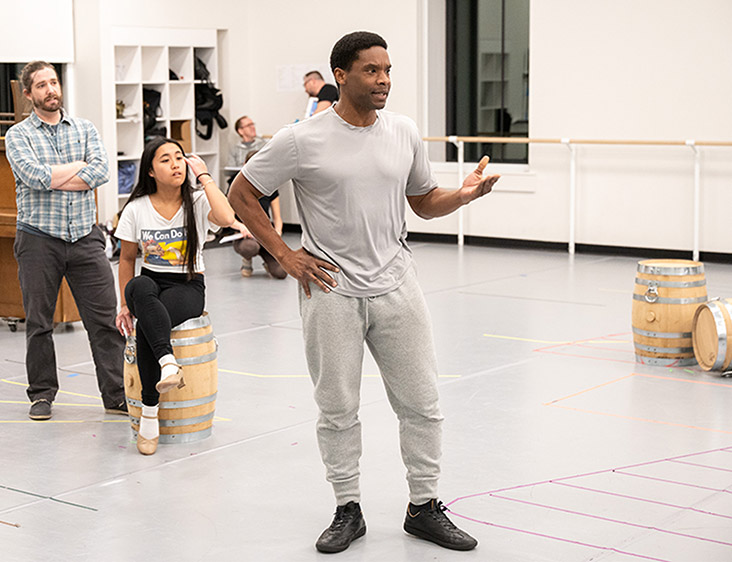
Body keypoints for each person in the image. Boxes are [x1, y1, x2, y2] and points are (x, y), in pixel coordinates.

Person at [229, 32, 499, 554]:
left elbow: (424, 201)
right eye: (372, 70)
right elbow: (242, 193)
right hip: (331, 289)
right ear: (342, 75)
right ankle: (347, 508)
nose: (384, 80)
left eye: (388, 70)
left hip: (397, 283)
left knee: (423, 403)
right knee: (337, 408)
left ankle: (423, 507)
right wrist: (284, 254)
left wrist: (463, 195)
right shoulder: (300, 139)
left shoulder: (403, 131)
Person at [5, 61, 126, 421]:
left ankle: (116, 395)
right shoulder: (18, 136)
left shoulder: (85, 128)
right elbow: (34, 177)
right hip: (38, 239)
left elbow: (100, 171)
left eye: (54, 82)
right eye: (41, 85)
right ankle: (42, 394)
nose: (50, 90)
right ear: (28, 94)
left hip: (85, 237)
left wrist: (58, 176)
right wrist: (78, 167)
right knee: (40, 323)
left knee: (104, 321)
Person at [114, 137, 235, 455]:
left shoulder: (198, 201)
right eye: (165, 159)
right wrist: (124, 304)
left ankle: (149, 413)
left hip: (188, 285)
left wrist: (204, 176)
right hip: (151, 281)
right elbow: (127, 259)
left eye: (179, 157)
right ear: (150, 171)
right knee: (138, 288)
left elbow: (226, 218)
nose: (175, 164)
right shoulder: (136, 208)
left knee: (147, 324)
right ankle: (168, 362)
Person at [230, 150, 286, 279]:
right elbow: (229, 218)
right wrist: (241, 227)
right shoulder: (236, 185)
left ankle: (267, 260)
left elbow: (277, 219)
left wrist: (277, 234)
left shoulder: (270, 186)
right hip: (245, 236)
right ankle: (247, 260)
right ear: (245, 165)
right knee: (250, 247)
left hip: (265, 233)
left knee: (281, 273)